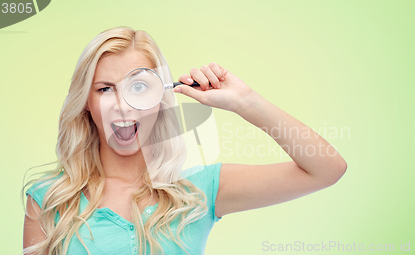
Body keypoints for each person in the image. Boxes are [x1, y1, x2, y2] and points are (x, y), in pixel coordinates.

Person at [22, 26, 347, 255]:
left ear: (161, 99)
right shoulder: (49, 199)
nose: (122, 104)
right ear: (86, 103)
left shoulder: (200, 189)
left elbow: (326, 169)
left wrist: (246, 101)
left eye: (138, 87)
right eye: (105, 88)